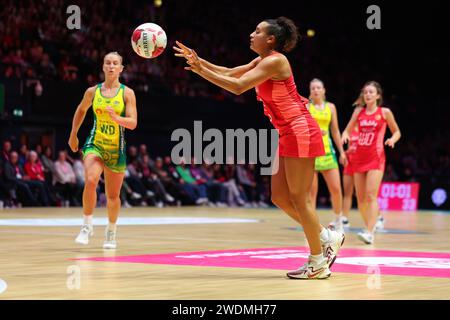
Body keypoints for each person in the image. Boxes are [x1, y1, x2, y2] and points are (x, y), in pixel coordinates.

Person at [174, 17, 344, 279]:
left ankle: (318, 262)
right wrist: (199, 61)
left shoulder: (276, 60)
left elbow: (239, 86)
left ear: (271, 40)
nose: (252, 35)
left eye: (258, 31)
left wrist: (200, 71)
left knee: (300, 199)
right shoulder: (263, 60)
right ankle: (327, 236)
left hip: (300, 130)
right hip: (286, 133)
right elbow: (232, 72)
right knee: (279, 197)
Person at [68, 51, 137, 249]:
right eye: (108, 63)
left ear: (121, 69)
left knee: (113, 196)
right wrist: (74, 134)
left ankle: (111, 231)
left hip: (116, 148)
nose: (111, 66)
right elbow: (81, 110)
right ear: (103, 67)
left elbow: (133, 123)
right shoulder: (92, 91)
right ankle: (86, 225)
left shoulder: (127, 93)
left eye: (115, 63)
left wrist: (117, 118)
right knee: (90, 180)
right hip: (95, 143)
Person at [342, 81, 401, 244]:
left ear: (378, 96)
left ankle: (369, 231)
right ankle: (370, 226)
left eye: (371, 92)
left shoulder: (384, 112)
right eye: (365, 92)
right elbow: (347, 129)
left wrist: (392, 139)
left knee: (370, 195)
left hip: (376, 157)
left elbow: (397, 131)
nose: (367, 94)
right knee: (360, 199)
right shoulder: (358, 112)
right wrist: (345, 136)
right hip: (358, 157)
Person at [306, 79, 347, 232]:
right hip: (311, 154)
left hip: (328, 153)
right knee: (311, 193)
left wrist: (342, 152)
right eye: (313, 88)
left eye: (318, 87)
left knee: (336, 189)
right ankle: (312, 225)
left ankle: (338, 220)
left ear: (324, 90)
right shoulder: (306, 106)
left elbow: (335, 131)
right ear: (310, 91)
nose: (316, 90)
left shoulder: (331, 107)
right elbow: (302, 128)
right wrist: (314, 131)